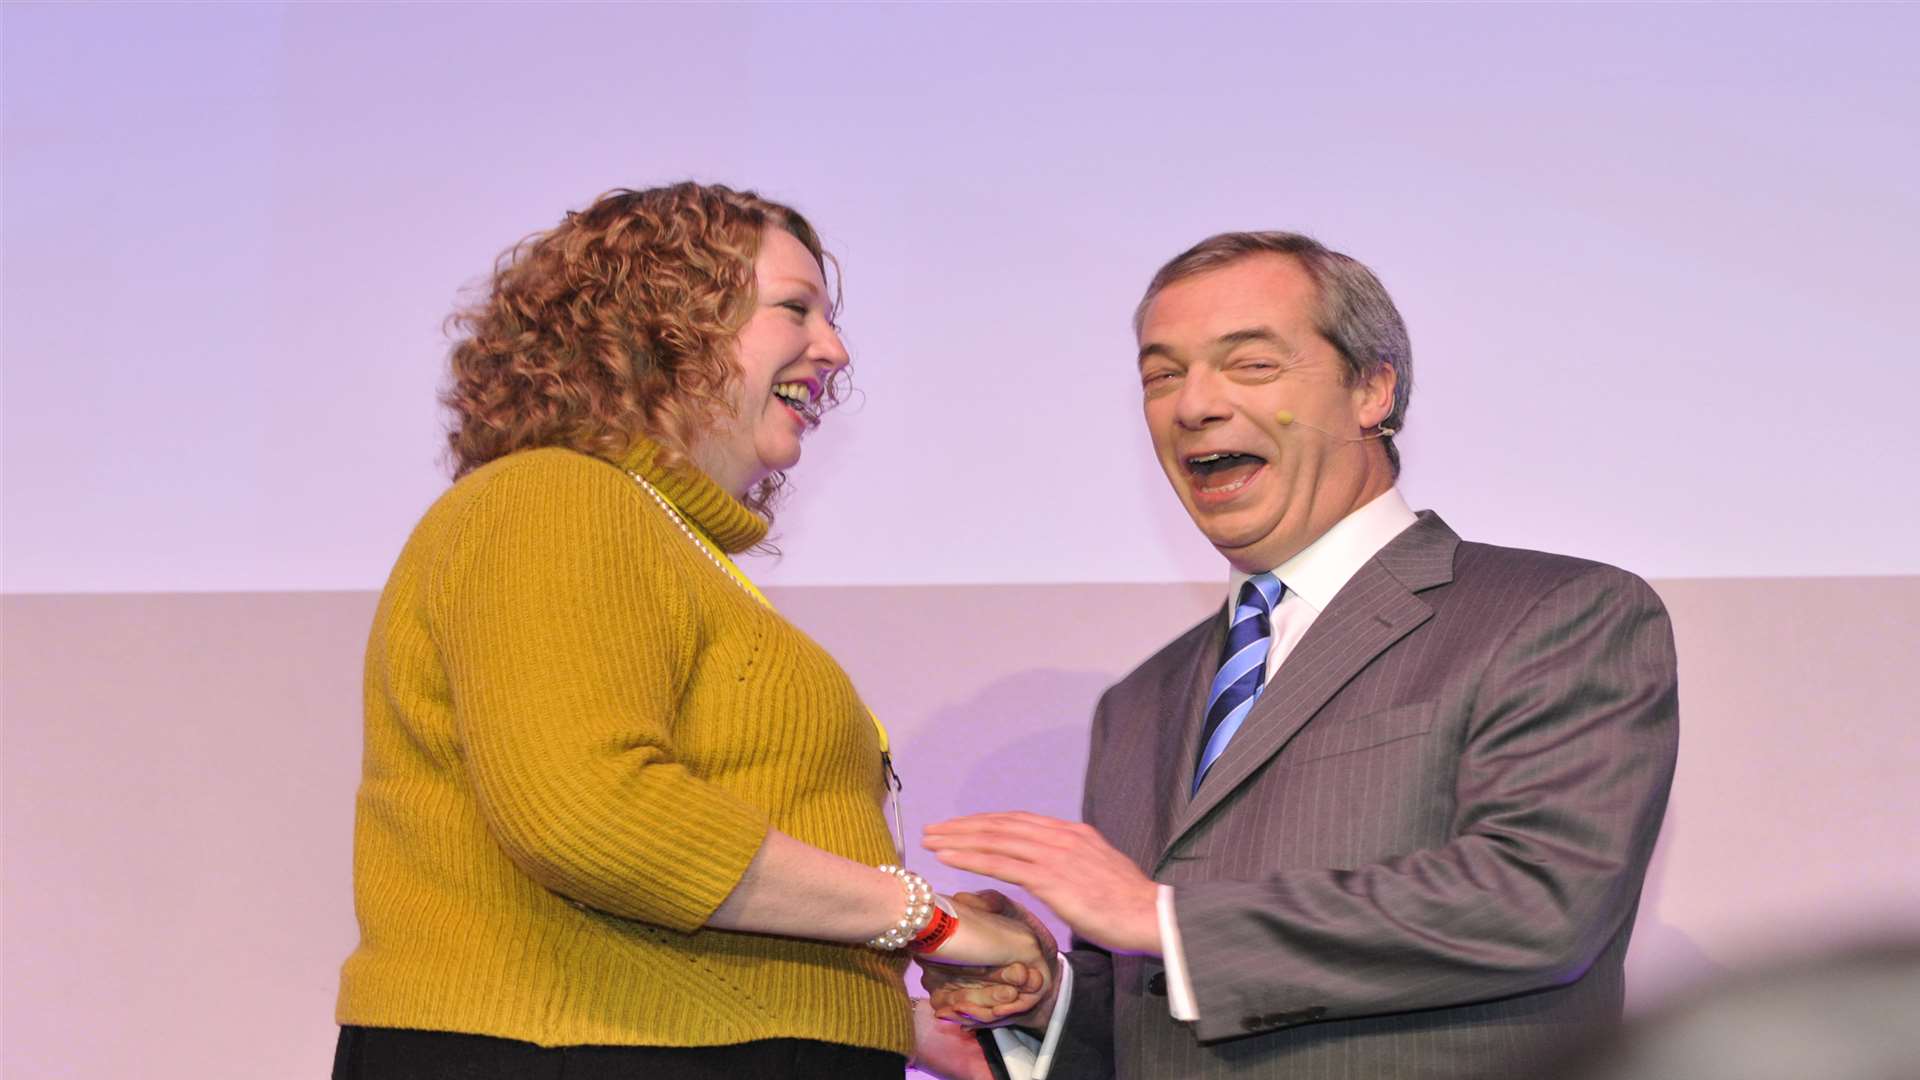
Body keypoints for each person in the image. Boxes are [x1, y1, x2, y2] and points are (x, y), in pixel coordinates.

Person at [921, 231, 1680, 1079]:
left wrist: (1162, 916)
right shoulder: (1139, 702)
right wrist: (1040, 999)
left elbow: (1538, 901)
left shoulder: (1558, 613)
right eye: (1161, 376)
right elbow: (1137, 1018)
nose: (1193, 405)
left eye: (1249, 366)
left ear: (1373, 389)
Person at [332, 182, 1043, 1080]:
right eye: (796, 309)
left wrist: (890, 1024)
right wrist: (925, 916)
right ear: (664, 322)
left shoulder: (663, 543)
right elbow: (590, 814)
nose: (834, 348)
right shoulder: (553, 499)